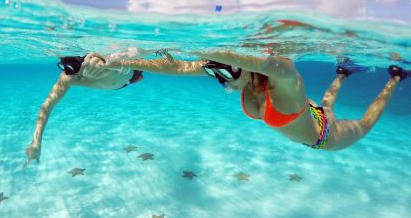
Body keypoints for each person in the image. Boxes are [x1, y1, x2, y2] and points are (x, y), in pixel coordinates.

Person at [101, 51, 409, 151]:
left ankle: (395, 76)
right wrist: (130, 63)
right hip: (309, 115)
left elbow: (278, 67)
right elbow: (179, 67)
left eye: (225, 74)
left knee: (364, 124)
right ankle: (342, 73)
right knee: (326, 106)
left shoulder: (285, 81)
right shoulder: (238, 74)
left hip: (324, 137)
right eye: (218, 75)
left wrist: (210, 50)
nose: (223, 82)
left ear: (246, 67)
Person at [24, 52, 144, 167]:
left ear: (85, 62)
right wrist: (36, 142)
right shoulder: (69, 76)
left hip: (132, 74)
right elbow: (47, 105)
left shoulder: (99, 65)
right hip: (118, 80)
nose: (69, 72)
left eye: (72, 66)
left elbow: (108, 61)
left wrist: (99, 61)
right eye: (64, 66)